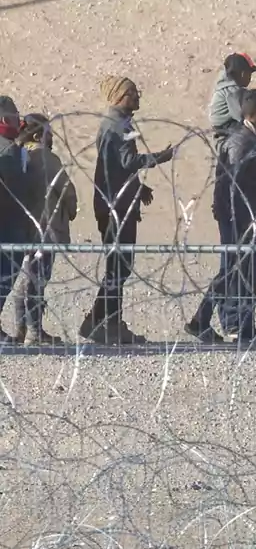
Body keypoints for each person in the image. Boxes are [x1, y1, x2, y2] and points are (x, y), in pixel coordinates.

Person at [82, 76, 175, 346]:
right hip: (115, 207)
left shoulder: (121, 124)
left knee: (119, 267)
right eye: (132, 93)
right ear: (119, 97)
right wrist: (159, 157)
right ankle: (109, 325)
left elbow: (118, 168)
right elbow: (128, 161)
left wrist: (138, 188)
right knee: (118, 268)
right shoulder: (116, 126)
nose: (138, 97)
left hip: (118, 201)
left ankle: (100, 322)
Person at [187, 90, 256, 346]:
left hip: (250, 214)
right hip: (239, 216)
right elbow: (233, 181)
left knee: (246, 270)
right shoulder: (241, 141)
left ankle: (244, 325)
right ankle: (204, 320)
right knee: (232, 269)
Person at [12, 113, 76, 346]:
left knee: (26, 279)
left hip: (22, 228)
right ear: (39, 134)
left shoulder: (17, 154)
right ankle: (35, 331)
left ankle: (20, 328)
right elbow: (66, 188)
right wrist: (72, 210)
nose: (52, 138)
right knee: (38, 280)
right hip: (46, 228)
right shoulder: (46, 158)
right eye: (49, 132)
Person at [0, 96, 33, 345]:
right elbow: (14, 187)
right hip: (9, 223)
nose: (18, 120)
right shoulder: (7, 149)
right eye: (14, 116)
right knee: (5, 276)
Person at [208, 53, 256, 139]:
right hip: (225, 131)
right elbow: (240, 115)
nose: (250, 77)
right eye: (250, 73)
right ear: (243, 74)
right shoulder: (232, 92)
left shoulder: (225, 87)